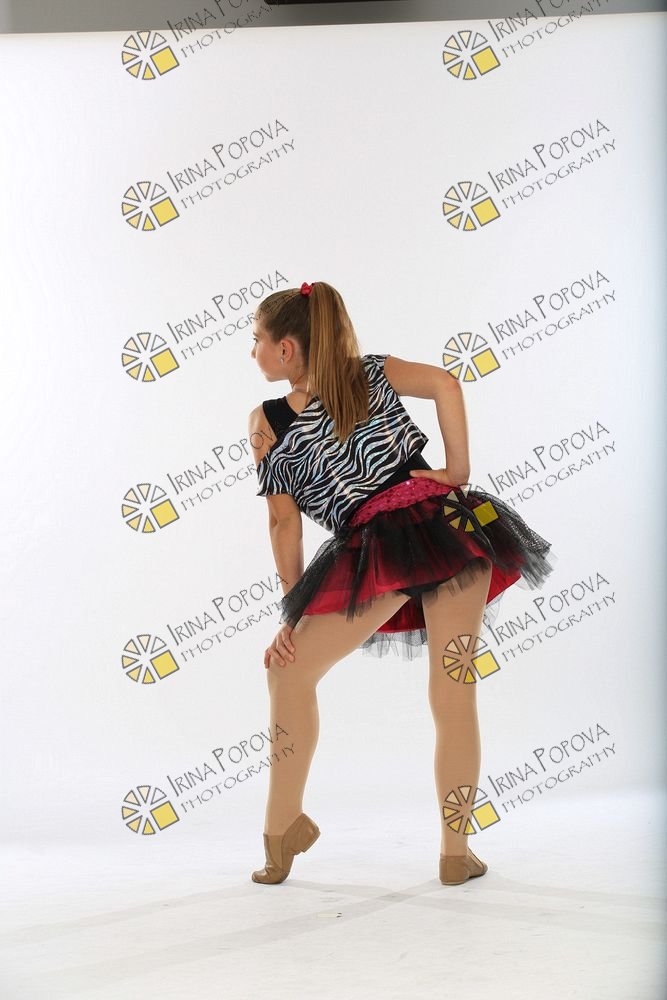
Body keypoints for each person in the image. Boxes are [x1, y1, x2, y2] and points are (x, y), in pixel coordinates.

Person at [247, 280, 556, 887]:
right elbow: (446, 383)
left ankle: (282, 830)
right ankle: (455, 854)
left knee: (288, 671)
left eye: (255, 339)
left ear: (286, 349)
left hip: (380, 548)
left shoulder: (267, 423)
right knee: (454, 691)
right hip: (453, 526)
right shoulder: (371, 371)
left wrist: (293, 613)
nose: (251, 350)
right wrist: (457, 471)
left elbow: (283, 524)